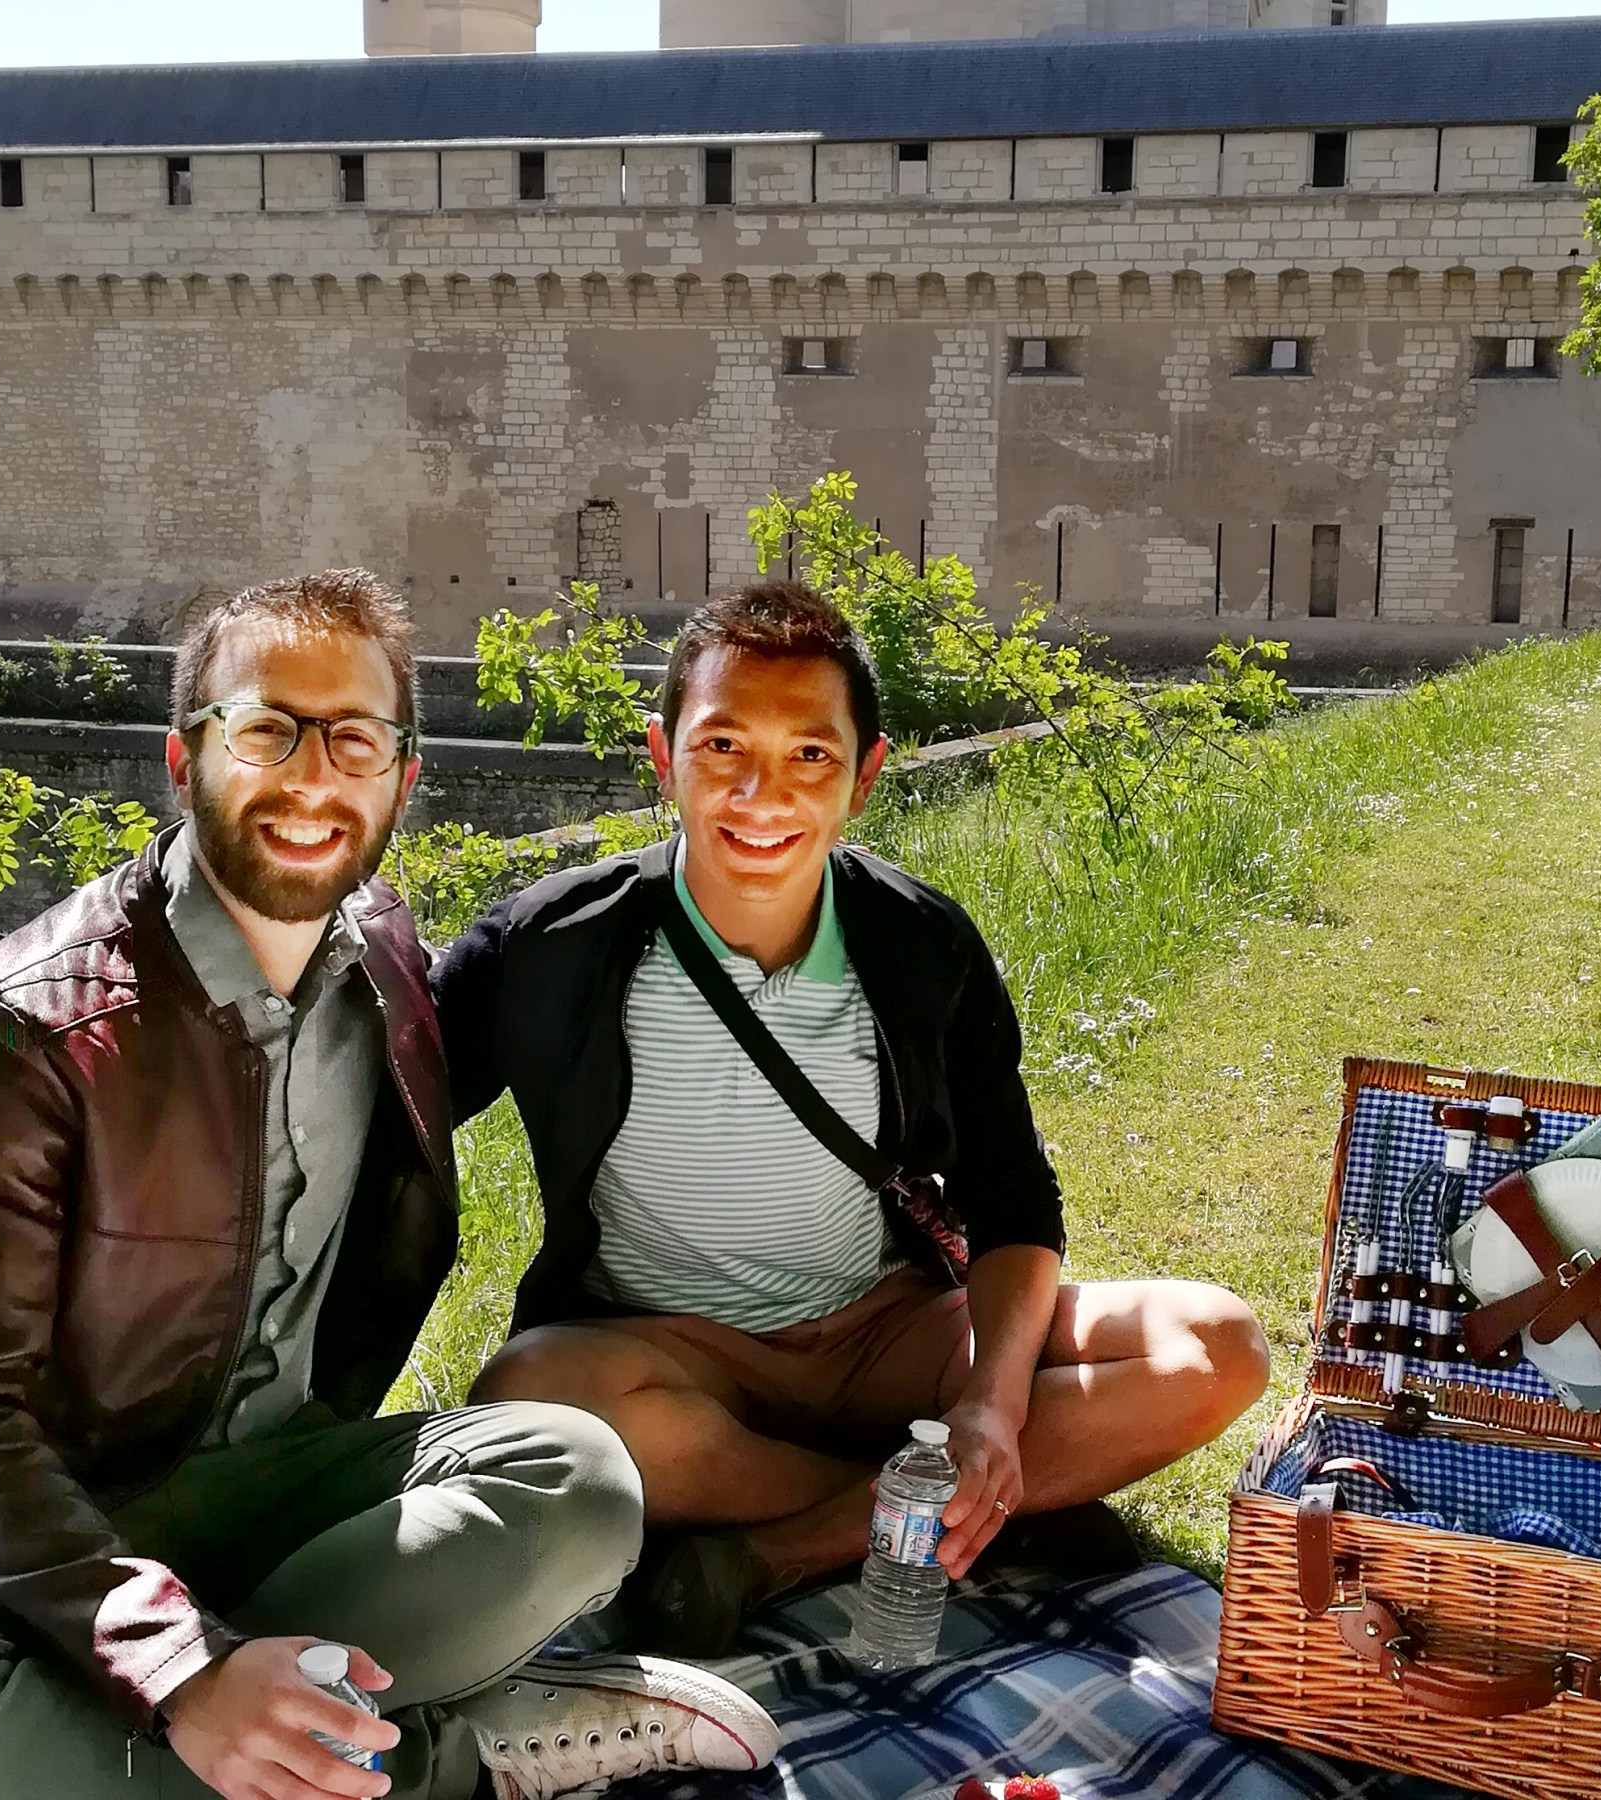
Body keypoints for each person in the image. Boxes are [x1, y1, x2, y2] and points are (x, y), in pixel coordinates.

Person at [0, 570, 776, 1800]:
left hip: (276, 1503)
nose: (312, 778)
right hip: (41, 1531)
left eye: (354, 739)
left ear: (404, 778)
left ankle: (238, 1726)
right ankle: (436, 1756)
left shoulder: (391, 963)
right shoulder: (17, 1031)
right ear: (183, 756)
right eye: (266, 730)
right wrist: (181, 1669)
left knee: (577, 1479)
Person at [432, 579, 1271, 1655]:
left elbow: (1015, 1203)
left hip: (886, 1332)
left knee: (1218, 1346)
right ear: (663, 754)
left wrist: (988, 1410)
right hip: (672, 1356)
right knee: (526, 1399)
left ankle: (784, 1549)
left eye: (810, 756)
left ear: (865, 776)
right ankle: (983, 1512)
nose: (762, 795)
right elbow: (386, 1121)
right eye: (723, 746)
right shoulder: (550, 945)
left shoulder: (919, 945)